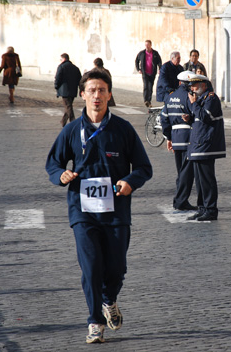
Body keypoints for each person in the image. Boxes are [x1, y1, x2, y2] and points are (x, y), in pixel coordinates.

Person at [46, 70, 153, 344]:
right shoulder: (71, 131)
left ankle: (109, 300)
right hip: (83, 212)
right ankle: (94, 321)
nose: (97, 96)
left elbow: (143, 167)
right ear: (82, 94)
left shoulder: (123, 129)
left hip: (117, 211)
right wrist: (61, 175)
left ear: (109, 94)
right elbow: (53, 163)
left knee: (116, 269)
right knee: (91, 268)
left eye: (102, 90)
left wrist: (130, 181)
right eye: (92, 90)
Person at [183, 73, 226, 221]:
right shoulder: (201, 99)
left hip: (206, 146)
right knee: (200, 181)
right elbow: (199, 119)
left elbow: (206, 117)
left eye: (194, 86)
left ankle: (211, 209)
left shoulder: (211, 98)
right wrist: (190, 118)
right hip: (197, 146)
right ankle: (202, 208)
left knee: (207, 180)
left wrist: (194, 105)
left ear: (203, 85)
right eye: (191, 86)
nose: (192, 89)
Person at [160, 71, 199, 212]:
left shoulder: (170, 98)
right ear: (188, 84)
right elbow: (195, 113)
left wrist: (168, 137)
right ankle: (180, 201)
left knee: (181, 172)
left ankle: (181, 200)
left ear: (178, 83)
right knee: (186, 173)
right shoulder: (188, 96)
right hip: (188, 138)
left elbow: (164, 118)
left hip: (175, 138)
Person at [54, 53, 83, 127]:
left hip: (64, 91)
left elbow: (58, 78)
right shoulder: (75, 68)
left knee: (68, 107)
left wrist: (56, 86)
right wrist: (80, 89)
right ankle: (63, 121)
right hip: (73, 90)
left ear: (63, 59)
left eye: (60, 59)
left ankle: (73, 122)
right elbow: (80, 79)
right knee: (68, 106)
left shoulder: (61, 67)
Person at [135, 40, 162, 107]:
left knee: (150, 87)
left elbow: (159, 62)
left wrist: (160, 69)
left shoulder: (155, 53)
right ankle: (145, 100)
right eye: (145, 45)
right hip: (145, 73)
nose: (146, 46)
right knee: (145, 86)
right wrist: (138, 69)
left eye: (148, 45)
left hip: (152, 73)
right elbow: (136, 61)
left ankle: (149, 101)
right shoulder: (142, 53)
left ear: (150, 45)